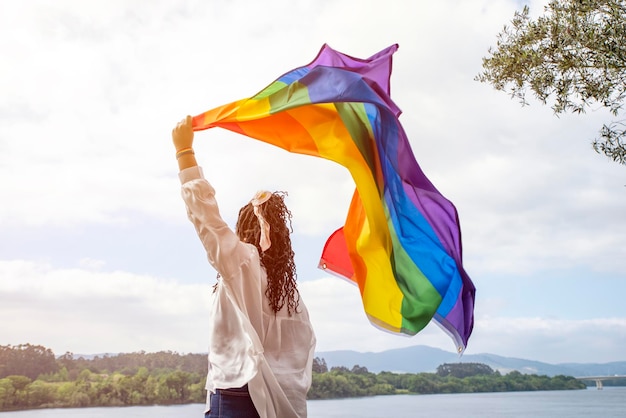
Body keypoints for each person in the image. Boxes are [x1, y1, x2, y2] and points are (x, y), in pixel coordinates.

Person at [172, 115, 316, 418]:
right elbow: (300, 358)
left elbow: (207, 220)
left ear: (244, 229)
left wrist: (184, 153)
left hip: (238, 395)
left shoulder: (243, 263)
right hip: (277, 404)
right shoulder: (293, 299)